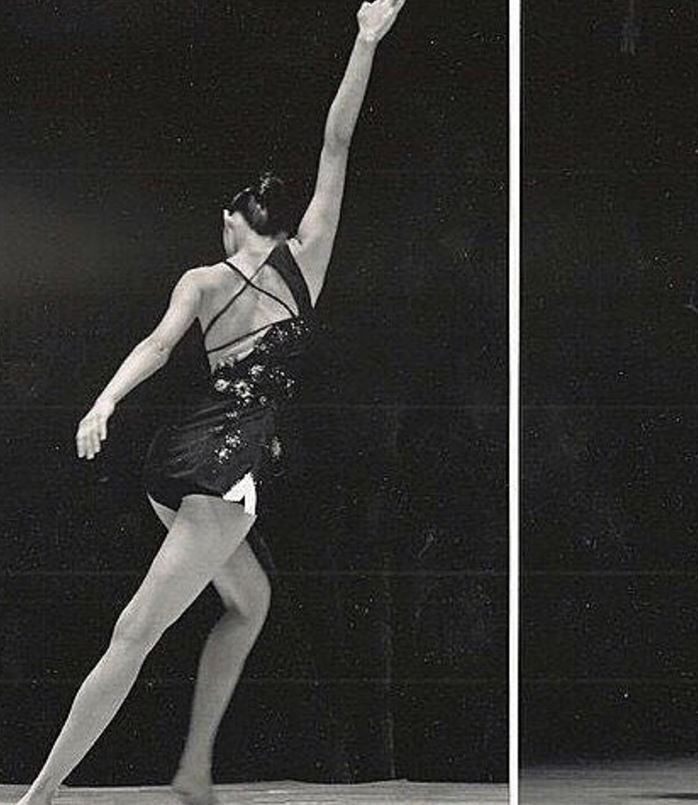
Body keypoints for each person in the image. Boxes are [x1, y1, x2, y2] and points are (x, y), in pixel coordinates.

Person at [16, 3, 406, 804]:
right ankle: (41, 794)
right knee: (136, 630)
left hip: (177, 460)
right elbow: (336, 143)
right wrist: (365, 42)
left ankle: (194, 768)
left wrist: (104, 402)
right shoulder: (308, 263)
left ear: (231, 222)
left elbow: (158, 347)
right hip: (221, 473)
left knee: (249, 601)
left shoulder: (202, 279)